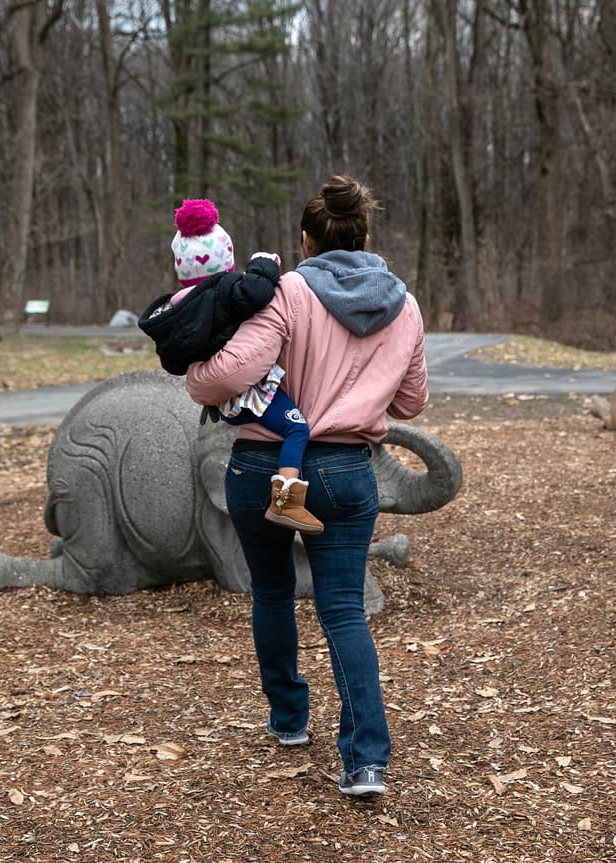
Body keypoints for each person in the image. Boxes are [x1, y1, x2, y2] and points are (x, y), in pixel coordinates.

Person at [184, 176, 428, 798]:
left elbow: (227, 377)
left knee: (271, 591)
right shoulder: (404, 304)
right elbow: (412, 400)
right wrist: (362, 388)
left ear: (305, 240)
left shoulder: (289, 292)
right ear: (366, 236)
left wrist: (198, 374)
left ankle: (290, 720)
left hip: (266, 466)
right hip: (349, 470)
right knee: (344, 609)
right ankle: (366, 760)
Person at [139, 199, 322, 534]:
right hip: (250, 392)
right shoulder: (225, 290)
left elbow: (174, 363)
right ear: (226, 260)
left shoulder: (176, 308)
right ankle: (287, 502)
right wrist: (263, 263)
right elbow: (260, 290)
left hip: (222, 402)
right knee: (297, 427)